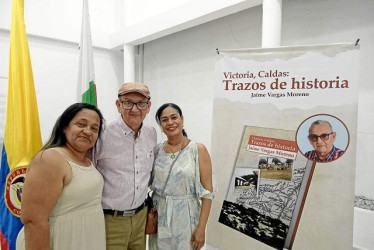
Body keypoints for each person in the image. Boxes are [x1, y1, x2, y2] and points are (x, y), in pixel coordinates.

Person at [16, 103, 105, 250]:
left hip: (85, 239)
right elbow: (33, 220)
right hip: (58, 241)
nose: (87, 131)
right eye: (81, 124)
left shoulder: (87, 160)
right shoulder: (50, 158)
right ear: (64, 127)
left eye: (94, 128)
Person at [90, 82, 157, 250]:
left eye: (141, 103)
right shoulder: (102, 134)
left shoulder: (151, 133)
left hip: (141, 218)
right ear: (118, 105)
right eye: (128, 102)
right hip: (110, 221)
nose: (135, 109)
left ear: (148, 107)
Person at [149, 103, 214, 250]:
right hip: (161, 216)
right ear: (161, 125)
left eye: (174, 117)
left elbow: (208, 194)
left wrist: (201, 228)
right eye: (164, 120)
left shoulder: (197, 149)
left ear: (182, 119)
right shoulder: (156, 150)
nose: (170, 123)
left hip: (187, 217)